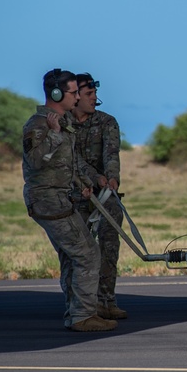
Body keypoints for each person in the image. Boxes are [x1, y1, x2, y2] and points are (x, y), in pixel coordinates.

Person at [23, 69, 116, 332]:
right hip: (48, 201)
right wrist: (53, 134)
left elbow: (66, 164)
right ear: (56, 94)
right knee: (87, 254)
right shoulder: (39, 124)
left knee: (72, 256)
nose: (77, 97)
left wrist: (83, 184)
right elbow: (34, 161)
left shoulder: (62, 123)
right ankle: (83, 316)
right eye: (73, 92)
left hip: (60, 199)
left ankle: (76, 312)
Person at [71, 72, 127, 320]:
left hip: (105, 196)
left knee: (108, 247)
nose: (95, 98)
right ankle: (79, 306)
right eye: (89, 94)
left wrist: (111, 179)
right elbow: (71, 160)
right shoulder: (61, 125)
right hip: (74, 196)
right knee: (78, 253)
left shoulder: (107, 122)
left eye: (95, 94)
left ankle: (106, 301)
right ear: (75, 97)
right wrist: (94, 177)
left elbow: (111, 154)